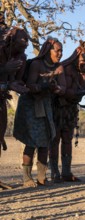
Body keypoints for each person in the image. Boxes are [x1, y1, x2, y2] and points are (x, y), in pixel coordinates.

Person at [49, 38, 85, 183]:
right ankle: (54, 173)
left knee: (67, 139)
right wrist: (84, 91)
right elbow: (63, 91)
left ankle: (67, 172)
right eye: (83, 61)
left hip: (71, 108)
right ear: (76, 58)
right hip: (57, 106)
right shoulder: (65, 68)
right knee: (55, 139)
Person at [13, 37, 66, 187]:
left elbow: (63, 88)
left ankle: (42, 178)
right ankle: (27, 179)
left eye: (62, 50)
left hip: (45, 105)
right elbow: (30, 86)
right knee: (31, 141)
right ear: (48, 51)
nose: (60, 53)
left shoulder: (59, 68)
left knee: (45, 141)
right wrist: (45, 85)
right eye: (58, 50)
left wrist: (58, 89)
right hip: (30, 105)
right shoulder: (36, 64)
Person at [0, 27, 29, 189]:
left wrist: (18, 85)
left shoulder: (22, 57)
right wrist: (4, 69)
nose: (26, 42)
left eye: (27, 39)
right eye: (23, 39)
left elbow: (16, 81)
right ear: (11, 39)